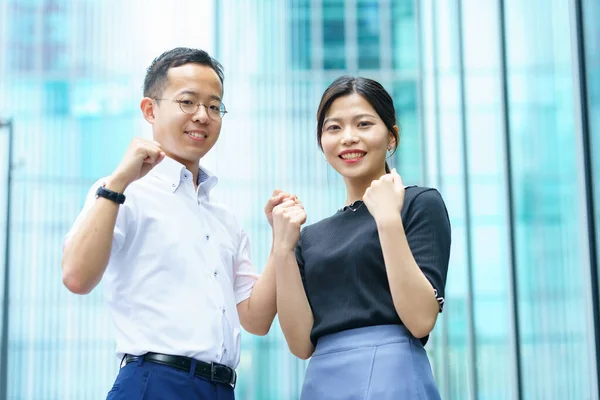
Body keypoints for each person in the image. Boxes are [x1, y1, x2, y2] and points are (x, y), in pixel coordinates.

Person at [61, 47, 292, 399]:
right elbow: (76, 277)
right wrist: (118, 184)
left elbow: (256, 320)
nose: (202, 115)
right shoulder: (123, 191)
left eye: (214, 106)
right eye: (188, 102)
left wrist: (281, 242)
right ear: (150, 110)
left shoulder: (224, 218)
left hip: (221, 388)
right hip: (154, 381)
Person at [273, 76, 451, 399]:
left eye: (364, 124)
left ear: (391, 136)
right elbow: (301, 343)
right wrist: (283, 249)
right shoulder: (311, 236)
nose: (349, 138)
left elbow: (421, 319)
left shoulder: (418, 204)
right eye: (334, 128)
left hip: (393, 375)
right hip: (322, 380)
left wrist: (387, 219)